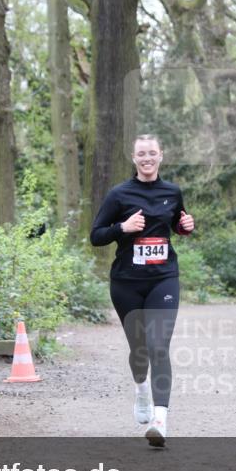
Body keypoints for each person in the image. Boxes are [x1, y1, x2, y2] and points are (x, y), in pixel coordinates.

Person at [90, 134, 195, 447]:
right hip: (126, 283)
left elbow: (177, 223)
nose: (147, 158)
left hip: (163, 278)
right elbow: (96, 235)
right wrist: (122, 228)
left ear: (161, 155)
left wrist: (185, 227)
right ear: (133, 158)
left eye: (152, 153)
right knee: (139, 350)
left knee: (158, 345)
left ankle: (160, 421)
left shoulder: (172, 191)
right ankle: (141, 391)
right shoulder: (119, 194)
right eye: (141, 154)